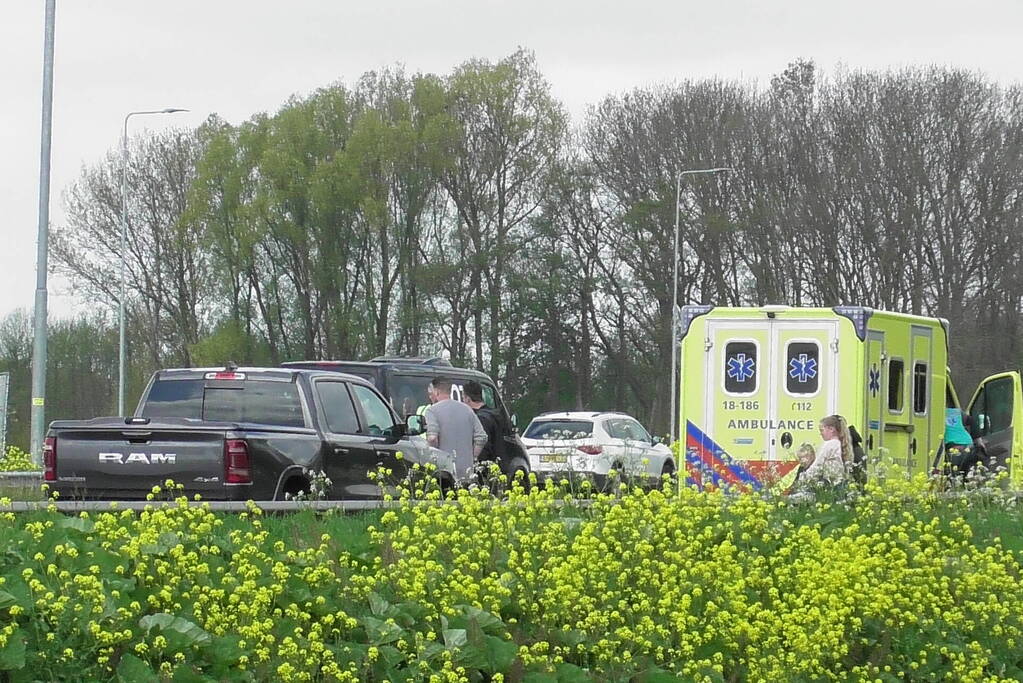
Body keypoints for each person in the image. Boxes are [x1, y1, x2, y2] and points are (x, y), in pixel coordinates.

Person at [423, 377, 487, 482]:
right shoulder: (467, 409)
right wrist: (472, 457)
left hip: (443, 473)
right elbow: (482, 437)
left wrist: (434, 458)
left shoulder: (432, 411)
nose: (430, 397)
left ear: (437, 392)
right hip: (467, 472)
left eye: (431, 393)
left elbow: (432, 438)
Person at [801, 414, 852, 488]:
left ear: (831, 429)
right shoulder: (839, 443)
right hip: (841, 483)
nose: (820, 434)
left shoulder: (830, 445)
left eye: (822, 430)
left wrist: (804, 478)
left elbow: (818, 464)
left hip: (832, 485)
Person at [462, 380, 505, 466]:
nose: (463, 401)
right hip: (498, 463)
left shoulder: (480, 418)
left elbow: (484, 447)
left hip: (486, 466)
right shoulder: (494, 415)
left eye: (463, 397)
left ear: (468, 399)